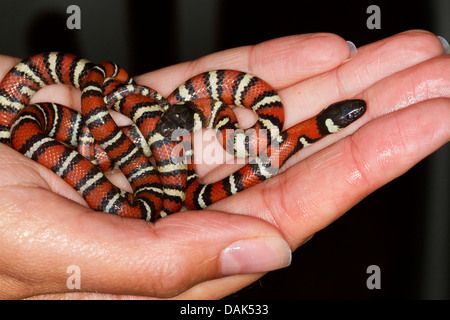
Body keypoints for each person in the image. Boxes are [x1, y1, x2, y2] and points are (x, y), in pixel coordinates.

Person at [0, 30, 448, 299]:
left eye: (341, 115)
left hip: (165, 158)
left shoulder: (265, 125)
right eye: (346, 115)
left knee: (174, 175)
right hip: (129, 136)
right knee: (96, 117)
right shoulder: (267, 132)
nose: (349, 113)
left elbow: (204, 162)